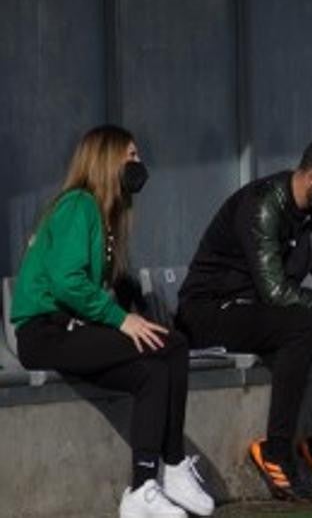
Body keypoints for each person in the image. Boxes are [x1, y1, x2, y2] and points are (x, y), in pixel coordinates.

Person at [10, 125, 214, 518]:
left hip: (72, 331)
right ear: (106, 160)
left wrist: (128, 309)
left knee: (152, 373)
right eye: (131, 156)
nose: (138, 165)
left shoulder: (106, 215)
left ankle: (141, 490)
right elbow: (67, 282)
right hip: (44, 334)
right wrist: (121, 321)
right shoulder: (78, 205)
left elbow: (107, 282)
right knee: (171, 345)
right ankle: (170, 466)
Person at [177, 135, 312, 501]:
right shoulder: (263, 203)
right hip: (212, 311)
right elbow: (276, 293)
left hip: (264, 314)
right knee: (301, 323)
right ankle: (276, 448)